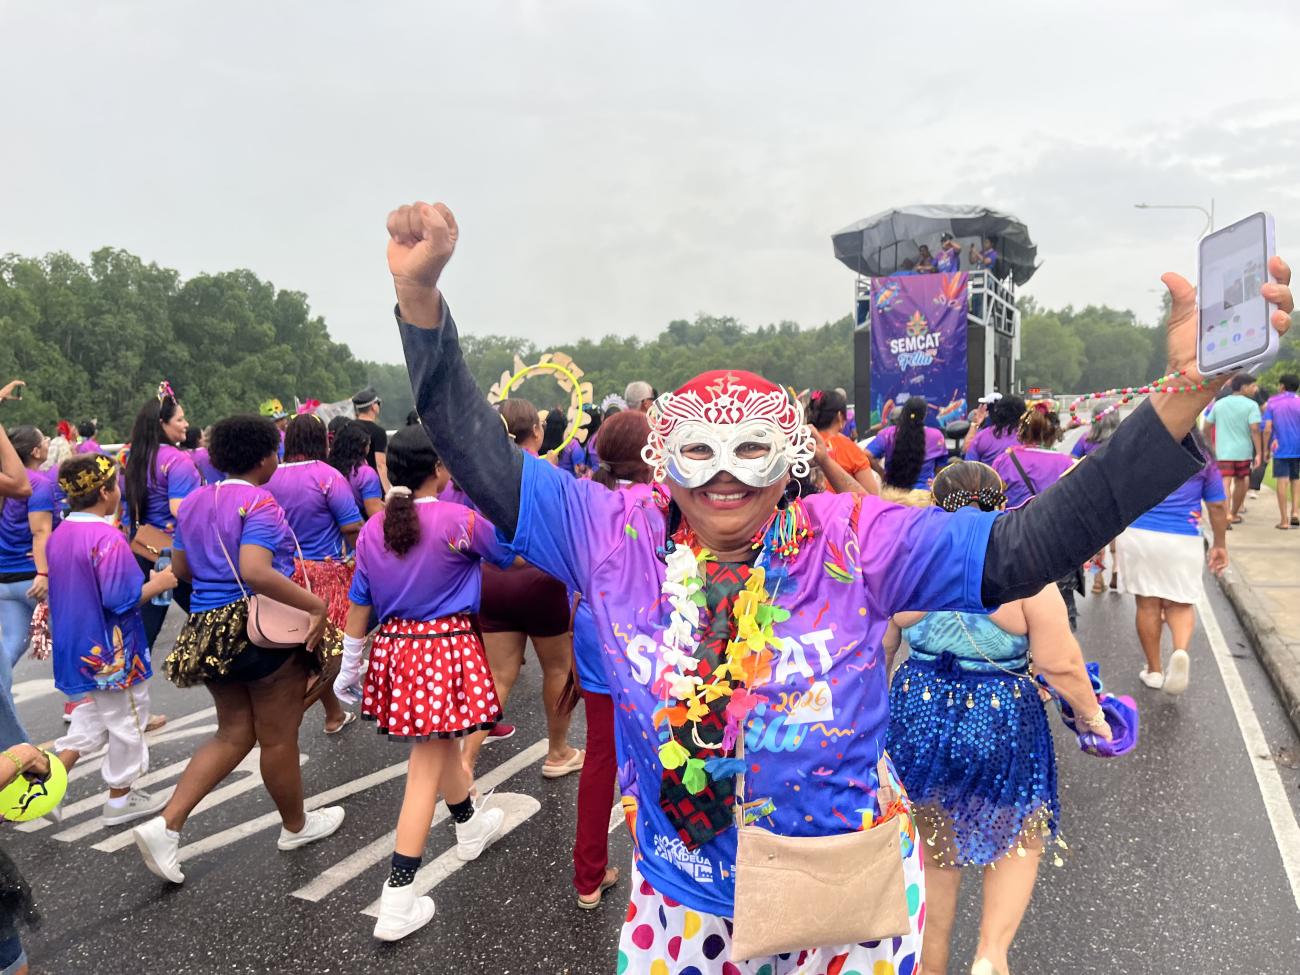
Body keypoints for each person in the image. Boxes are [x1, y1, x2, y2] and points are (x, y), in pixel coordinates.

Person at [386, 199, 1291, 972]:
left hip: (843, 905)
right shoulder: (609, 531)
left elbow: (1025, 547)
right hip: (683, 905)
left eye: (750, 449)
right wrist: (420, 299)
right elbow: (480, 452)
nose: (724, 476)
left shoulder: (853, 537)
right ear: (664, 459)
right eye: (700, 450)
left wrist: (1186, 392)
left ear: (790, 457)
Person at [883, 462, 1110, 975]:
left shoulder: (909, 568)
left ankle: (930, 960)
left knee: (934, 846)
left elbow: (879, 652)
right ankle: (990, 953)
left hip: (919, 711)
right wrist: (1093, 718)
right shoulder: (1025, 576)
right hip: (1000, 715)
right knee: (1018, 832)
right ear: (1002, 506)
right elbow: (1060, 664)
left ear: (935, 508)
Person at [132, 415, 343, 884]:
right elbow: (255, 570)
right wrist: (315, 605)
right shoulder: (259, 501)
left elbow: (182, 569)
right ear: (266, 457)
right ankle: (295, 827)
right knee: (278, 737)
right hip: (258, 630)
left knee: (231, 733)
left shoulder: (194, 501)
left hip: (206, 632)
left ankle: (167, 825)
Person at [334, 424, 510, 941]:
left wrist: (349, 664)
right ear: (438, 468)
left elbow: (360, 602)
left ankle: (469, 827)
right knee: (424, 767)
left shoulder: (374, 528)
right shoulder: (459, 520)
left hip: (396, 651)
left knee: (438, 745)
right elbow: (508, 553)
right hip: (446, 649)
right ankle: (397, 898)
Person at [47, 454, 178, 826]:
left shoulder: (61, 533)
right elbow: (121, 600)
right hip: (112, 650)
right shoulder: (106, 537)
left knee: (99, 713)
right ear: (105, 492)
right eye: (115, 485)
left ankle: (49, 785)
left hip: (79, 642)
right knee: (128, 718)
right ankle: (120, 799)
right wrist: (159, 583)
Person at [460, 399, 583, 780]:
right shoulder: (550, 474)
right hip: (541, 579)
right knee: (559, 668)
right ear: (538, 432)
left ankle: (465, 763)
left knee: (498, 677)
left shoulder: (477, 474)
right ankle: (558, 752)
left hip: (492, 579)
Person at [570, 410, 654, 909]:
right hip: (651, 641)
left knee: (600, 754)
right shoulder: (666, 501)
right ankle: (672, 865)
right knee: (670, 750)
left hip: (593, 632)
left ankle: (588, 874)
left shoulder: (583, 501)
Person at [266, 413, 364, 734]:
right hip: (327, 575)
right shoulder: (327, 476)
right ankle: (287, 718)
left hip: (284, 577)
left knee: (313, 650)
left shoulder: (270, 477)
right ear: (321, 440)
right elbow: (351, 526)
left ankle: (333, 715)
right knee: (335, 651)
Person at [1116, 430, 1229, 694]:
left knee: (1147, 604)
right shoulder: (1203, 456)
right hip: (1183, 536)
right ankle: (1179, 651)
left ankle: (1154, 671)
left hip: (1140, 534)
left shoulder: (1139, 449)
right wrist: (1220, 544)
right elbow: (1217, 506)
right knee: (1181, 603)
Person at [992, 404, 1086, 628]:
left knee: (1013, 612)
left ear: (1022, 431)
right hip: (1058, 547)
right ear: (1052, 432)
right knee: (1059, 619)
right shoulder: (1066, 463)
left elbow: (994, 502)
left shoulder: (1004, 460)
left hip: (1015, 544)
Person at [124, 383, 200, 649]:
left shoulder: (137, 457)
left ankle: (128, 670)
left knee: (146, 628)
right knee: (211, 616)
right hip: (176, 554)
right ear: (162, 424)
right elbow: (180, 508)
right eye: (180, 419)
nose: (186, 424)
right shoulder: (178, 460)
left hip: (146, 548)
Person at [0, 427, 54, 751]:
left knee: (10, 646)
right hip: (33, 578)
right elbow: (40, 533)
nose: (47, 442)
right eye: (43, 439)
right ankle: (79, 704)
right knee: (68, 641)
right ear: (34, 452)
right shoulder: (38, 483)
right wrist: (44, 573)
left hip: (5, 580)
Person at [1203, 371, 1263, 524]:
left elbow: (1206, 427)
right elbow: (1255, 429)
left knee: (1225, 481)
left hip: (1223, 451)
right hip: (1243, 452)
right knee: (1241, 481)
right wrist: (1259, 452)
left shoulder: (1220, 404)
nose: (1255, 389)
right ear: (1243, 387)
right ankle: (1233, 513)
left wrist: (1211, 445)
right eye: (1252, 386)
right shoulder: (1252, 405)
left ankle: (1225, 515)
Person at [806, 388, 878, 494]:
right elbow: (873, 496)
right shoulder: (850, 449)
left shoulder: (803, 444)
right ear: (839, 416)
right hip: (844, 505)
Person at [867, 396, 948, 489]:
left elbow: (867, 455)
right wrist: (935, 482)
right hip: (923, 495)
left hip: (892, 493)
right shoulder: (936, 436)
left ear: (904, 412)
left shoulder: (887, 433)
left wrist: (883, 475)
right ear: (925, 414)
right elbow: (941, 469)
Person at [1263, 373, 1300, 528]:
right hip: (1298, 447)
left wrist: (1265, 449)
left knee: (1282, 480)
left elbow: (1267, 428)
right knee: (1296, 479)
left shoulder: (1273, 402)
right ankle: (1295, 512)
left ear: (1282, 386)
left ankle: (1284, 520)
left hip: (1280, 447)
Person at [329, 420, 384, 520]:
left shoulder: (331, 468)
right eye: (369, 443)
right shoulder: (366, 473)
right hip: (361, 524)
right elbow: (375, 514)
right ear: (363, 444)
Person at [964, 395, 1026, 465]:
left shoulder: (983, 436)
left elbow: (969, 465)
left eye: (987, 407)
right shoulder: (1029, 438)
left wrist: (974, 424)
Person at [352, 387, 390, 491]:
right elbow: (380, 464)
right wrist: (388, 490)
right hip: (371, 484)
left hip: (351, 481)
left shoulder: (348, 427)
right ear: (373, 406)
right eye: (378, 403)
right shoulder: (378, 432)